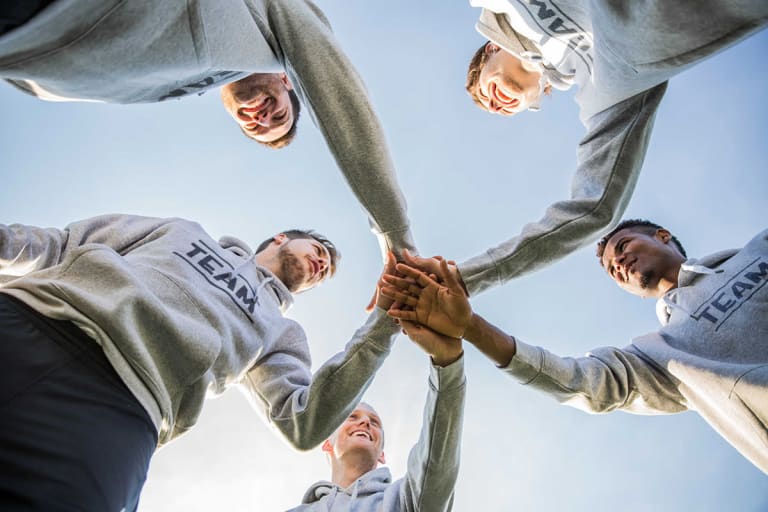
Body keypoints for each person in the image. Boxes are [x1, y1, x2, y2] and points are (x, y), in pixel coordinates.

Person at [0, 213, 404, 511]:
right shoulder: (181, 231)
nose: (321, 265)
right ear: (281, 238)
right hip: (32, 320)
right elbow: (57, 244)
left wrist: (386, 322)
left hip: (123, 411)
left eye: (325, 272)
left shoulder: (281, 332)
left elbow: (302, 423)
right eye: (318, 252)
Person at [0, 0, 415, 255]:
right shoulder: (267, 23)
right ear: (290, 81)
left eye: (254, 126)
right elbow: (338, 94)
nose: (262, 117)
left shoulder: (170, 85)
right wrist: (395, 232)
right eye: (279, 115)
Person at [382, 220, 768, 473]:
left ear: (662, 236)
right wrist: (471, 327)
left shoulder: (758, 251)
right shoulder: (661, 355)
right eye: (612, 269)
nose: (617, 262)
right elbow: (578, 380)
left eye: (623, 245)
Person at [454, 0, 768, 296]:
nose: (495, 106)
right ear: (539, 95)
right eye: (500, 110)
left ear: (491, 48)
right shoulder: (605, 91)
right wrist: (464, 279)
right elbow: (594, 208)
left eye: (482, 92)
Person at [289, 320, 465, 512]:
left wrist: (447, 366)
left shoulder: (404, 500)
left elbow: (435, 463)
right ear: (326, 443)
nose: (365, 422)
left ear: (381, 454)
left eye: (374, 422)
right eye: (352, 417)